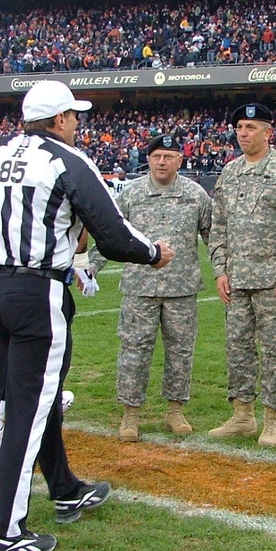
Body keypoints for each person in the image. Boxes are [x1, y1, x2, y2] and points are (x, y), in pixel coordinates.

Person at [0, 79, 174, 551]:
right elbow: (113, 236)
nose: (78, 124)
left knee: (37, 396)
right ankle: (4, 531)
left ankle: (64, 488)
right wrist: (153, 253)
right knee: (29, 409)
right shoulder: (67, 161)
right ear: (60, 119)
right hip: (38, 292)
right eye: (74, 116)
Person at [89, 133, 212, 442]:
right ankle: (131, 414)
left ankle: (174, 410)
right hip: (139, 287)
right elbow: (110, 234)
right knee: (134, 350)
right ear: (148, 159)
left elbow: (214, 236)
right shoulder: (131, 195)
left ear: (180, 161)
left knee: (180, 352)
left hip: (181, 288)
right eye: (157, 156)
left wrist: (228, 271)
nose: (161, 161)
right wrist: (91, 268)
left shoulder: (196, 196)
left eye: (169, 156)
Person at [208, 102, 276, 448]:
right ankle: (241, 415)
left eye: (250, 127)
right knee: (237, 349)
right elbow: (218, 225)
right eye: (239, 127)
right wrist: (220, 270)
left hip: (274, 281)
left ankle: (272, 418)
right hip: (237, 281)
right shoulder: (230, 172)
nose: (243, 133)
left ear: (268, 133)